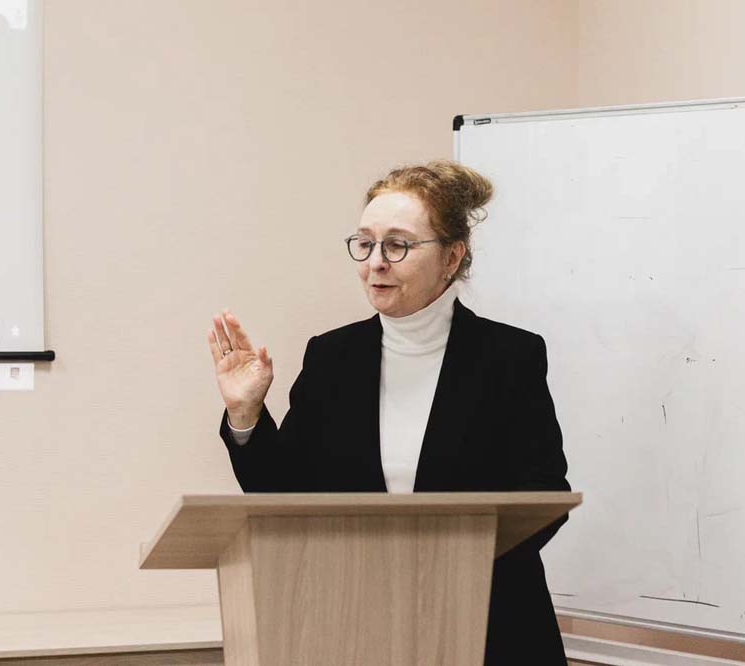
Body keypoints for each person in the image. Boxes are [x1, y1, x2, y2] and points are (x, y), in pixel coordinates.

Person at [205, 159, 571, 664]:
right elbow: (283, 495)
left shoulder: (510, 357)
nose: (376, 262)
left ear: (451, 257)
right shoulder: (332, 357)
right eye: (365, 243)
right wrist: (246, 413)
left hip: (490, 626)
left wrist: (448, 566)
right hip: (358, 625)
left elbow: (544, 496)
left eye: (397, 245)